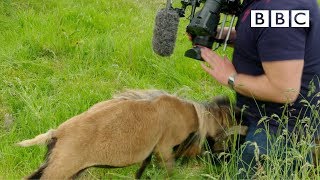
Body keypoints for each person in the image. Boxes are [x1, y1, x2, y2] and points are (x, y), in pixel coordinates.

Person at [200, 0, 320, 177]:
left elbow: (283, 90)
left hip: (276, 137)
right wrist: (220, 35)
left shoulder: (278, 11)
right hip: (261, 121)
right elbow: (265, 36)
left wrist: (230, 78)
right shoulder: (268, 9)